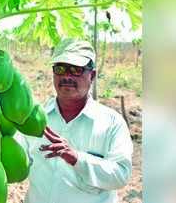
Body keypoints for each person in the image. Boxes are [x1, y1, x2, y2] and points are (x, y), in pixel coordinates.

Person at [16, 39, 133, 203]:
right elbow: (15, 161)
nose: (66, 76)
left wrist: (77, 158)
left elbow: (121, 175)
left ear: (92, 75)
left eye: (76, 70)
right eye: (60, 69)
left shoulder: (111, 123)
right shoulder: (33, 119)